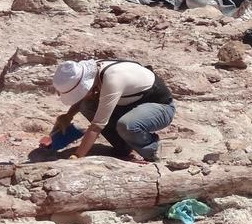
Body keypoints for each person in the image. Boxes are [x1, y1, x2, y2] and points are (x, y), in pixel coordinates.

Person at [43, 59, 176, 163]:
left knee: (127, 125)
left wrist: (77, 156)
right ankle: (123, 146)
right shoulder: (94, 72)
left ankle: (151, 149)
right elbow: (84, 98)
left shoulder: (112, 79)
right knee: (86, 105)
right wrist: (68, 116)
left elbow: (96, 126)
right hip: (128, 103)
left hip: (160, 107)